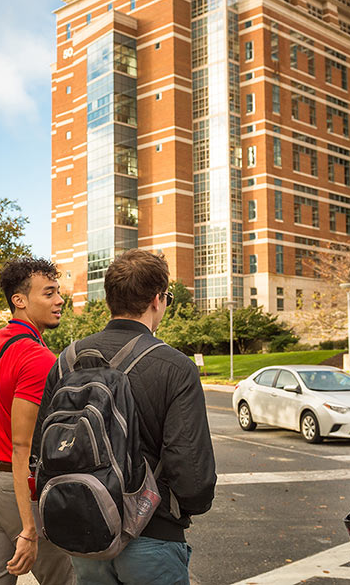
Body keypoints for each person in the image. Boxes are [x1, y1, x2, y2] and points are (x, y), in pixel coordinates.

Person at [35, 249, 216, 585]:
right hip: (152, 533)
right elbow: (193, 477)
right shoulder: (175, 367)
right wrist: (182, 510)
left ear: (109, 300)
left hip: (84, 531)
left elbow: (41, 452)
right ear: (157, 300)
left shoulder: (65, 361)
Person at [0, 258, 73, 584]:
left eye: (58, 292)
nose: (59, 300)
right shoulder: (38, 358)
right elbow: (22, 445)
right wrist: (28, 527)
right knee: (67, 580)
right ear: (19, 301)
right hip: (20, 489)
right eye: (49, 293)